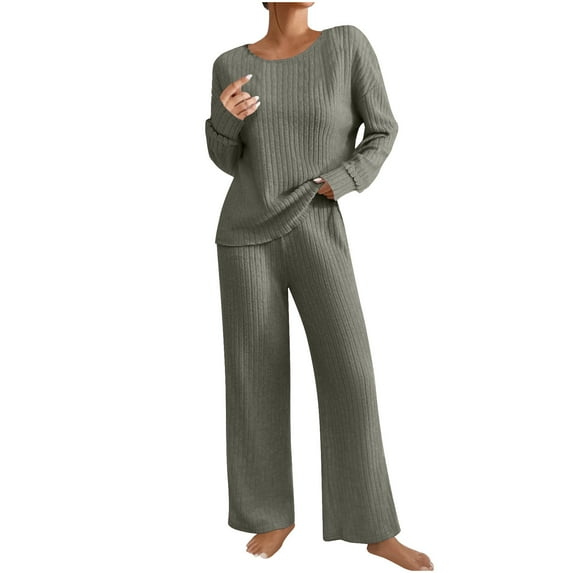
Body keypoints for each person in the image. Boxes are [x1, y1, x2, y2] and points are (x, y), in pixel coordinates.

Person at [204, 3, 433, 570]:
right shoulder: (230, 63)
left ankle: (372, 528)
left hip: (316, 220)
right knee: (254, 377)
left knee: (351, 374)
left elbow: (383, 129)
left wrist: (345, 178)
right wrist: (225, 121)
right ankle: (269, 515)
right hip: (244, 235)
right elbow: (227, 160)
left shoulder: (346, 45)